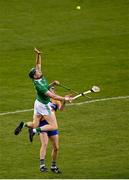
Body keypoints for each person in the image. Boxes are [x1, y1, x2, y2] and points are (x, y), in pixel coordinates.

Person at [14, 48, 72, 140]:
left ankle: (24, 125)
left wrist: (38, 55)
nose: (39, 70)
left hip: (37, 103)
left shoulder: (39, 77)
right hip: (43, 105)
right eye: (36, 71)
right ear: (34, 75)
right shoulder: (39, 86)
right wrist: (64, 99)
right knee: (54, 126)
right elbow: (53, 96)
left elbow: (38, 64)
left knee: (35, 124)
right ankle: (33, 131)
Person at [39, 86, 65, 173]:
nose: (53, 91)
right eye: (51, 89)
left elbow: (61, 109)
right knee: (44, 143)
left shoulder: (57, 100)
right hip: (42, 123)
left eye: (54, 89)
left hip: (52, 124)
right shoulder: (43, 99)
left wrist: (64, 101)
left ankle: (53, 166)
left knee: (56, 148)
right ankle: (42, 165)